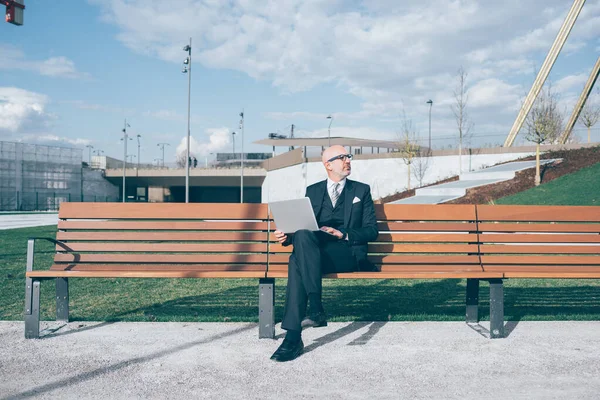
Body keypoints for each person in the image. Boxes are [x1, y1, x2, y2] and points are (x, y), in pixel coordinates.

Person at [270, 145, 379, 362]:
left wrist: (343, 233)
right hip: (317, 255)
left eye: (349, 156)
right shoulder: (313, 190)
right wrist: (286, 237)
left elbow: (372, 230)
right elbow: (305, 226)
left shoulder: (361, 190)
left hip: (346, 253)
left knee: (296, 262)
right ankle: (313, 310)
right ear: (327, 165)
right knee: (300, 235)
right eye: (342, 157)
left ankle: (294, 336)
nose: (348, 160)